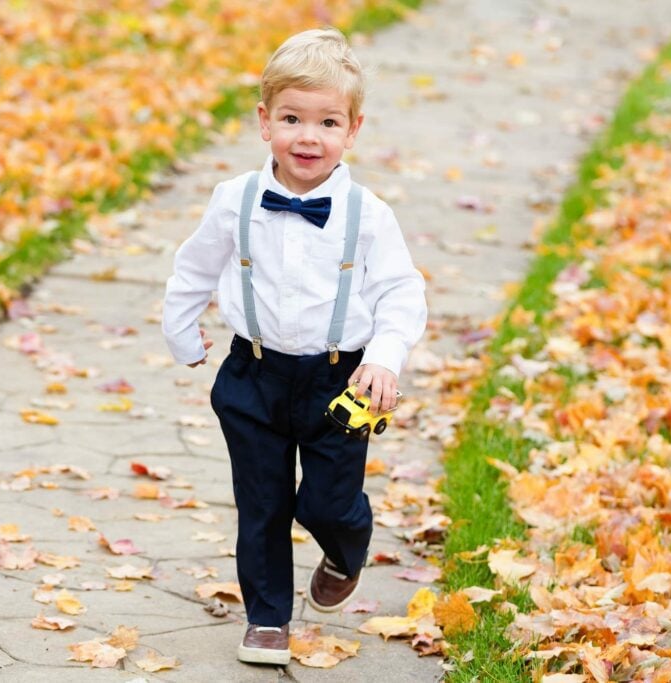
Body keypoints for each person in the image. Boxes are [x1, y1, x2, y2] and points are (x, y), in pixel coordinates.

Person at [161, 26, 427, 665]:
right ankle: (267, 619)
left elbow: (401, 292)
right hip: (252, 374)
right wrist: (181, 325)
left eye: (328, 122)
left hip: (343, 383)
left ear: (353, 130)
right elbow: (194, 266)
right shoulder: (236, 200)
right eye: (292, 118)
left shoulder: (369, 215)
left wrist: (386, 357)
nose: (308, 136)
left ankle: (344, 544)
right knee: (262, 501)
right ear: (264, 121)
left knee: (326, 501)